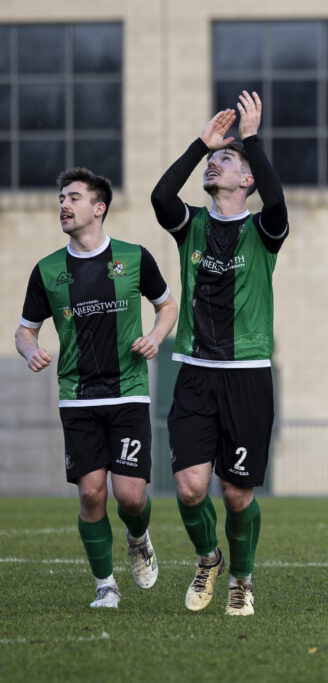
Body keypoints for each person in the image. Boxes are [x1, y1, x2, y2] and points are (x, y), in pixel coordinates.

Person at [150, 91, 288, 616]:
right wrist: (199, 145)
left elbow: (277, 202)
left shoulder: (261, 230)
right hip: (194, 371)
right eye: (213, 160)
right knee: (189, 489)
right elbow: (161, 197)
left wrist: (251, 139)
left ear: (246, 180)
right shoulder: (192, 227)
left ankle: (242, 579)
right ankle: (209, 558)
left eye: (224, 160)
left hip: (248, 375)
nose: (214, 164)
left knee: (236, 495)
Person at [15, 167, 177, 608]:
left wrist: (156, 337)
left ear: (98, 208)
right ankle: (106, 585)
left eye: (73, 198)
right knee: (91, 494)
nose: (64, 206)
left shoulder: (134, 257)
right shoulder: (48, 270)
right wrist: (30, 351)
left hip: (128, 393)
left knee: (130, 495)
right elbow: (24, 331)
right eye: (61, 199)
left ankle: (139, 535)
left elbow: (167, 305)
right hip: (77, 396)